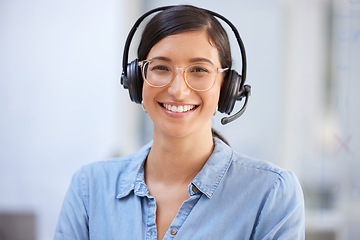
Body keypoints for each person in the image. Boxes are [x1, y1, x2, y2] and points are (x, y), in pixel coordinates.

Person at [54, 5, 305, 240]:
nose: (178, 90)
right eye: (161, 67)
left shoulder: (271, 193)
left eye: (199, 70)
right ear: (137, 81)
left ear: (227, 87)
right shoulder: (89, 187)